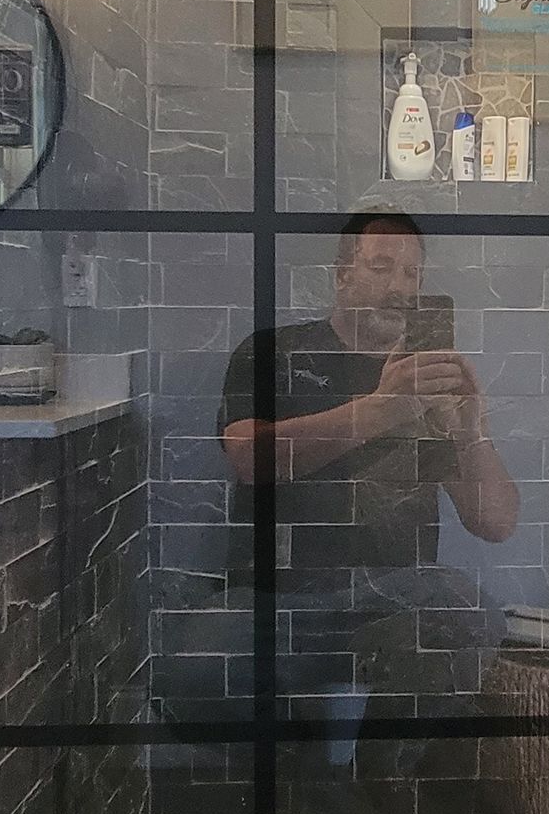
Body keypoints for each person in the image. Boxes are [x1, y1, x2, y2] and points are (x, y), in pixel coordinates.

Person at [218, 209, 518, 776]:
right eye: (382, 267)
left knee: (470, 612)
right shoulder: (275, 353)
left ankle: (389, 777)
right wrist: (381, 409)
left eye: (412, 275)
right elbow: (247, 458)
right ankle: (291, 780)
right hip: (279, 593)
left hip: (392, 598)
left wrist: (470, 430)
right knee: (198, 665)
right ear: (341, 275)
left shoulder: (427, 380)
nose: (400, 287)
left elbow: (495, 521)